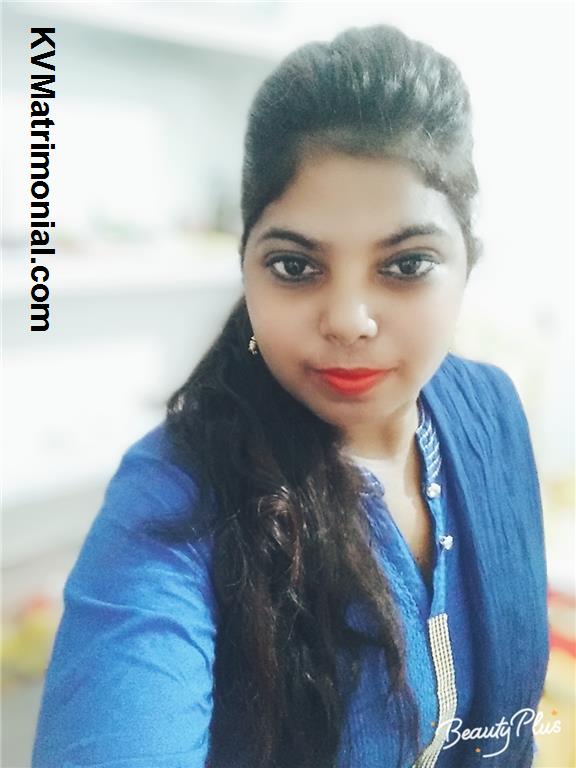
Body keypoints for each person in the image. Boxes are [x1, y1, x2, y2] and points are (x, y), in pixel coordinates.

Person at [31, 24, 549, 768]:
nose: (348, 320)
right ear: (247, 265)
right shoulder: (179, 490)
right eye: (296, 267)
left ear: (469, 263)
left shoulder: (491, 410)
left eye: (406, 264)